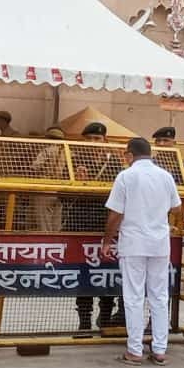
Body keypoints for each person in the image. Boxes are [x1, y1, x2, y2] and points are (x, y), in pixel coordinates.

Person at [102, 137, 181, 365]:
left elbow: (115, 213)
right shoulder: (165, 176)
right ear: (150, 154)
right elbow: (177, 207)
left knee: (134, 297)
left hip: (134, 244)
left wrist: (107, 241)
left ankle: (135, 350)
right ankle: (159, 349)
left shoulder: (126, 176)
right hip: (159, 244)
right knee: (159, 296)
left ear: (129, 155)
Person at [71, 122, 120, 330]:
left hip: (106, 225)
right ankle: (84, 323)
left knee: (107, 273)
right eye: (89, 138)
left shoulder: (115, 165)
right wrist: (78, 184)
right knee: (83, 274)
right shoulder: (72, 161)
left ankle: (106, 318)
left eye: (97, 139)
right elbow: (61, 197)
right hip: (80, 224)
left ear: (105, 141)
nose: (93, 142)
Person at [30, 127, 67, 232]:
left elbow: (35, 166)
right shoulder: (68, 152)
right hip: (60, 189)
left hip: (45, 189)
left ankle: (46, 244)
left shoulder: (47, 151)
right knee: (56, 224)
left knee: (44, 224)